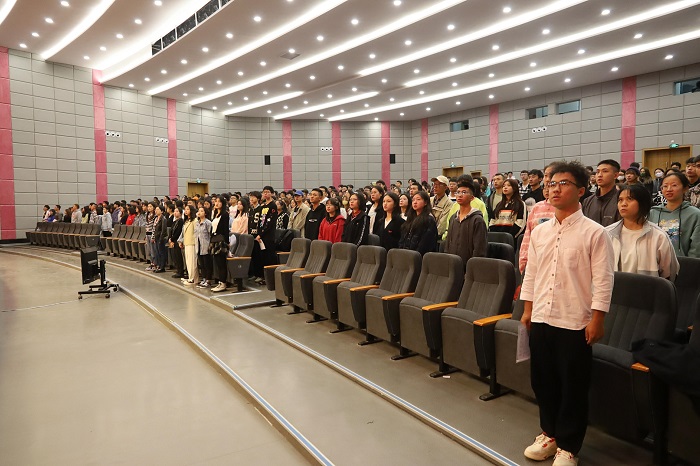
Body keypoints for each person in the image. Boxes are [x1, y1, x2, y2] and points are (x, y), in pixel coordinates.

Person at [520, 161, 615, 466]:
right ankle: (549, 434)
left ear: (581, 190)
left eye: (563, 183)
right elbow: (532, 273)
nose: (555, 189)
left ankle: (569, 446)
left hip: (574, 320)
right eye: (551, 184)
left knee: (573, 386)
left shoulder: (595, 233)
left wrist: (598, 319)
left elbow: (603, 280)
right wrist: (527, 309)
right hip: (541, 317)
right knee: (543, 381)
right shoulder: (540, 232)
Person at [605, 184, 679, 280]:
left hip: (648, 288)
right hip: (614, 288)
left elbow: (669, 273)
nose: (623, 204)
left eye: (629, 199)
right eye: (620, 200)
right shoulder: (607, 233)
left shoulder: (658, 236)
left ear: (642, 203)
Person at [648, 172, 700, 258]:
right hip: (654, 262)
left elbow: (696, 248)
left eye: (674, 185)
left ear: (685, 188)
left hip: (683, 264)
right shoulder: (652, 213)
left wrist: (689, 264)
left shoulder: (695, 214)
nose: (669, 189)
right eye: (665, 186)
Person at [519, 163, 557, 275]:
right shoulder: (537, 207)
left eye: (552, 175)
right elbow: (528, 236)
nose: (548, 179)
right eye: (546, 175)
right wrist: (523, 261)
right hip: (535, 261)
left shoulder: (571, 207)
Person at [443, 181, 487, 269]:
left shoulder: (477, 220)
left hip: (469, 268)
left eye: (464, 192)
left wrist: (472, 269)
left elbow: (479, 249)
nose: (460, 195)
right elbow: (448, 243)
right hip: (452, 265)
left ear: (472, 198)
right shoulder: (453, 218)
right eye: (458, 192)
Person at [582, 159, 621, 227]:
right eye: (597, 172)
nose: (600, 175)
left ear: (615, 175)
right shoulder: (587, 201)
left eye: (605, 171)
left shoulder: (621, 200)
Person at [399, 191, 438, 256]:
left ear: (425, 202)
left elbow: (426, 243)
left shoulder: (429, 220)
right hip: (406, 254)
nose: (415, 202)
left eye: (418, 199)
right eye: (413, 200)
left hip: (419, 256)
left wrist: (414, 255)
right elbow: (403, 237)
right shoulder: (410, 218)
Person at [210, 197, 231, 292]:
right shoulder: (215, 214)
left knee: (221, 263)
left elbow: (225, 230)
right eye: (216, 201)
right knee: (217, 263)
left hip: (221, 241)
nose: (217, 203)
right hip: (214, 240)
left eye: (219, 202)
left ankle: (223, 283)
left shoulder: (225, 215)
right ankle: (220, 281)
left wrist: (227, 242)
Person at [179, 205, 198, 286]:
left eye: (188, 209)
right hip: (186, 243)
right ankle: (190, 277)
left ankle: (193, 279)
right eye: (185, 209)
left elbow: (196, 233)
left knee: (192, 262)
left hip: (192, 243)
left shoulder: (195, 221)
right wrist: (181, 241)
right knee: (188, 262)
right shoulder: (186, 221)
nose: (186, 211)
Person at [195, 207, 213, 289]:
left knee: (207, 264)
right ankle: (204, 278)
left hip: (206, 245)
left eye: (202, 211)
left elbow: (210, 234)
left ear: (205, 213)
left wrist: (210, 245)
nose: (199, 212)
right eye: (199, 211)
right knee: (201, 264)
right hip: (198, 245)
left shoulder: (208, 223)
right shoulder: (197, 222)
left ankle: (208, 280)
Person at [169, 206, 185, 279]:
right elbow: (171, 231)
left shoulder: (181, 221)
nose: (175, 213)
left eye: (177, 211)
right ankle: (178, 270)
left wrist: (172, 239)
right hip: (173, 241)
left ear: (181, 213)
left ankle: (180, 271)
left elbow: (178, 232)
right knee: (175, 256)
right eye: (175, 211)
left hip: (177, 240)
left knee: (178, 257)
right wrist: (170, 239)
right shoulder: (174, 221)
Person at [152, 205, 168, 273]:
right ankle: (158, 265)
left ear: (162, 211)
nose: (156, 211)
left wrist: (161, 239)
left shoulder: (163, 219)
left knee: (161, 252)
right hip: (156, 237)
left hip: (161, 238)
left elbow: (163, 230)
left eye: (158, 209)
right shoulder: (156, 218)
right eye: (155, 209)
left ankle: (162, 267)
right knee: (157, 252)